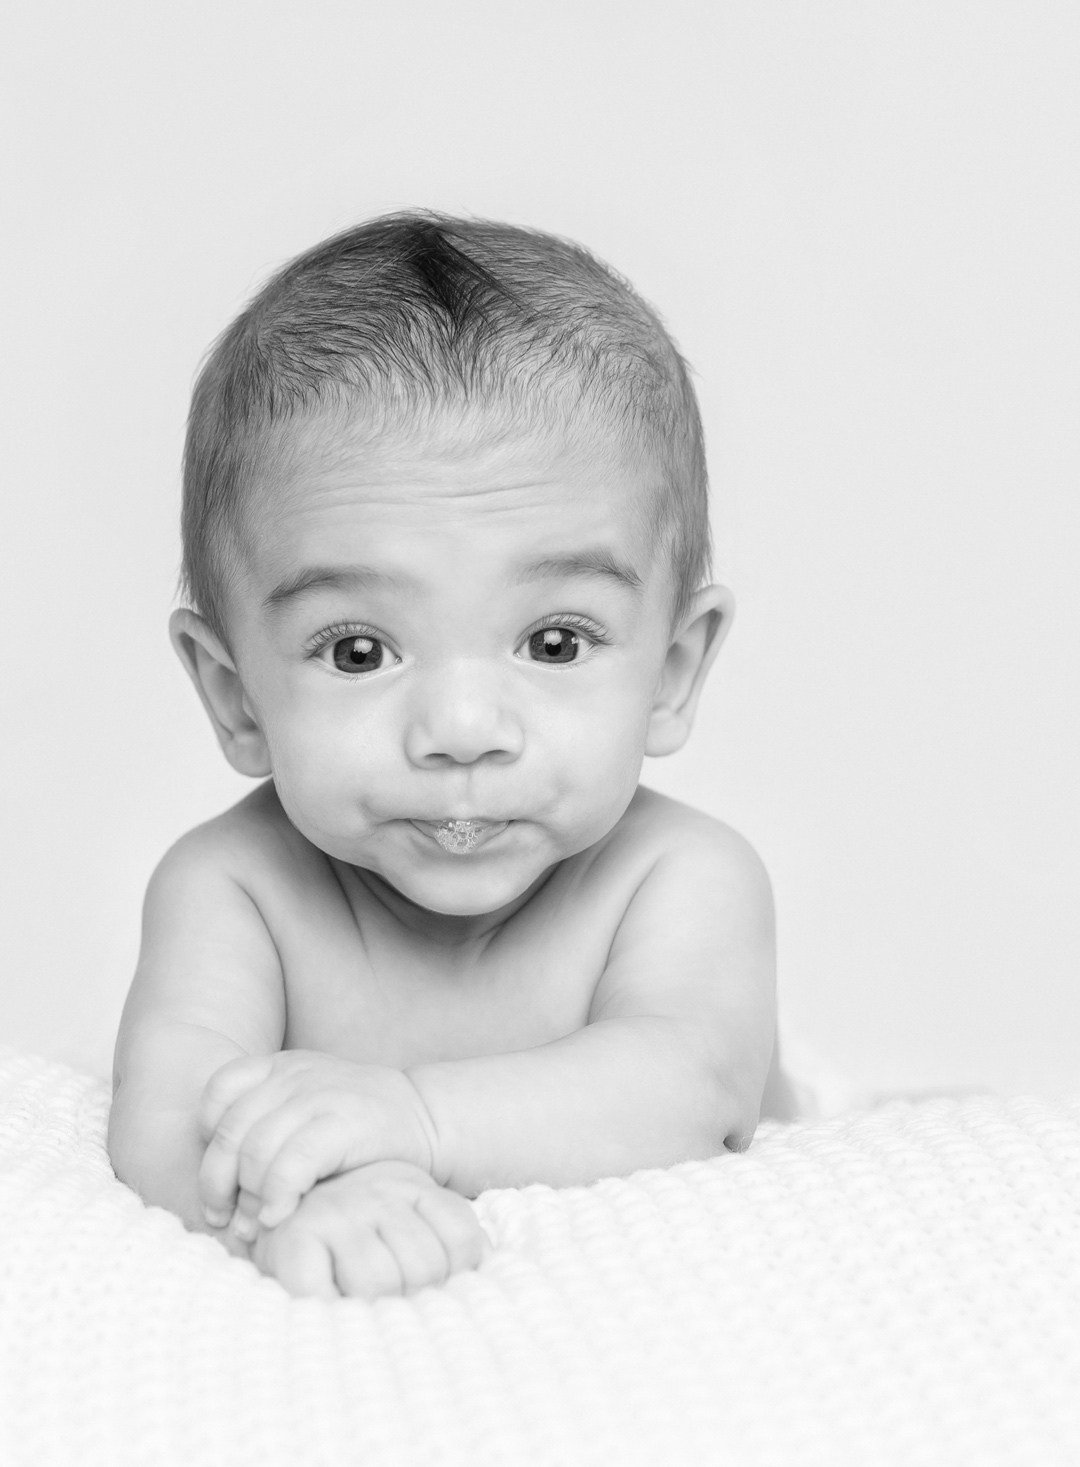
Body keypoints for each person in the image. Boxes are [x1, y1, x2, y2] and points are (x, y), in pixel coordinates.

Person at [108, 213, 795, 1301]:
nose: (463, 728)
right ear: (236, 695)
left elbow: (695, 1089)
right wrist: (309, 1192)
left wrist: (414, 1121)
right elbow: (166, 1117)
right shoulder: (235, 891)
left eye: (555, 641)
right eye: (360, 649)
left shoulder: (678, 880)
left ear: (672, 670)